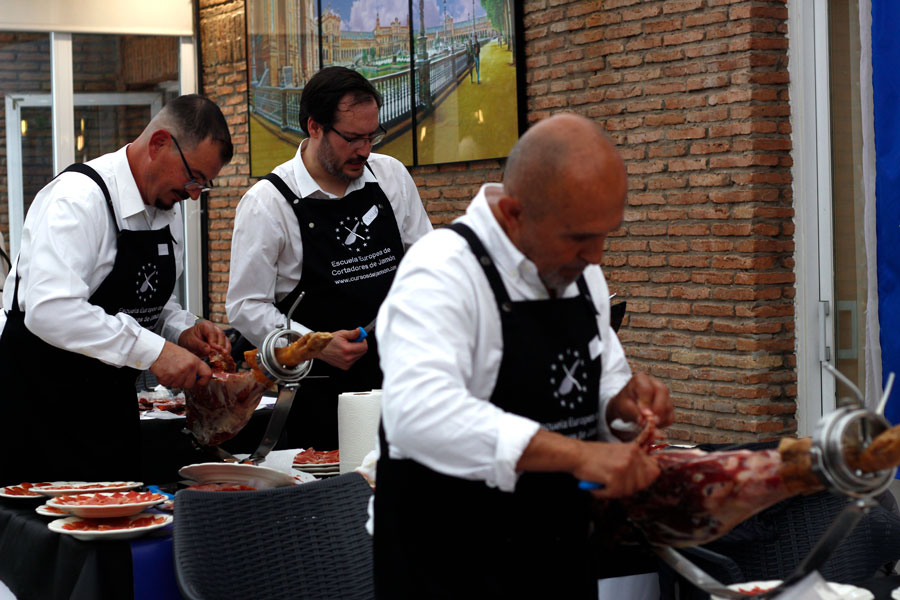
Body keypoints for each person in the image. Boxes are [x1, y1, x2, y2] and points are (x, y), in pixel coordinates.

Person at [373, 113, 674, 599]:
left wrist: (623, 407)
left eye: (605, 234)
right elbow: (418, 414)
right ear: (513, 214)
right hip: (452, 569)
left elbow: (601, 382)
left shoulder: (580, 272)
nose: (596, 256)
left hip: (561, 560)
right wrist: (578, 456)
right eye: (579, 238)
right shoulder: (442, 271)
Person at [0, 94, 234, 484]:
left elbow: (147, 302)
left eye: (203, 186)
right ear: (159, 143)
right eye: (192, 177)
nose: (194, 194)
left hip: (109, 413)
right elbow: (50, 310)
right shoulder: (79, 199)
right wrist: (155, 352)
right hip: (38, 412)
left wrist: (182, 329)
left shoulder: (166, 209)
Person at [226, 66, 432, 449]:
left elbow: (426, 265)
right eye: (352, 138)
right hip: (320, 397)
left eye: (372, 136)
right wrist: (315, 343)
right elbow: (245, 306)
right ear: (314, 127)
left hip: (404, 381)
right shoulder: (268, 203)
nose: (365, 150)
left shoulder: (391, 177)